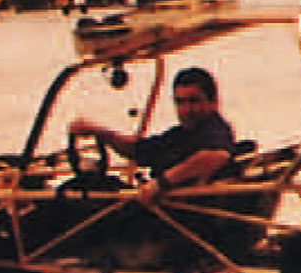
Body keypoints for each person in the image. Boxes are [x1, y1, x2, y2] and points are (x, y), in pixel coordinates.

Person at [69, 67, 235, 204]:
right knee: (90, 185)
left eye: (194, 101)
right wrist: (100, 132)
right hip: (159, 210)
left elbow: (215, 156)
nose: (186, 110)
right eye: (180, 102)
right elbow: (137, 150)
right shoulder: (180, 135)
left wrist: (160, 184)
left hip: (180, 219)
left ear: (213, 102)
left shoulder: (214, 130)